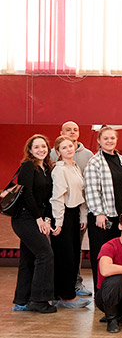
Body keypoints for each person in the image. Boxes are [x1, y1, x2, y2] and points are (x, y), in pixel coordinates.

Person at [85, 126, 122, 292]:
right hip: (104, 218)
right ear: (99, 141)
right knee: (102, 255)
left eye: (112, 138)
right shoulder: (94, 163)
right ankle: (101, 293)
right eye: (106, 138)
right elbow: (91, 190)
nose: (109, 141)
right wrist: (99, 213)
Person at [7, 135, 56, 313]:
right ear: (30, 150)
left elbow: (49, 198)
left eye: (44, 146)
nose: (41, 150)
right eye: (36, 147)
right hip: (25, 218)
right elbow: (27, 194)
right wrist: (38, 219)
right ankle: (38, 300)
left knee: (28, 258)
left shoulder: (47, 168)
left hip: (38, 217)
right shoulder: (28, 166)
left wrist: (47, 219)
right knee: (45, 255)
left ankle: (22, 300)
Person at [49, 121, 94, 297]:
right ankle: (65, 295)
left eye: (70, 146)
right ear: (58, 151)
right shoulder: (59, 169)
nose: (69, 149)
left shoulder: (74, 167)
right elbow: (57, 198)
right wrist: (58, 221)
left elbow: (80, 194)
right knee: (65, 256)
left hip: (75, 215)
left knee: (74, 254)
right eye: (64, 147)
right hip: (64, 216)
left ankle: (70, 292)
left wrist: (83, 216)